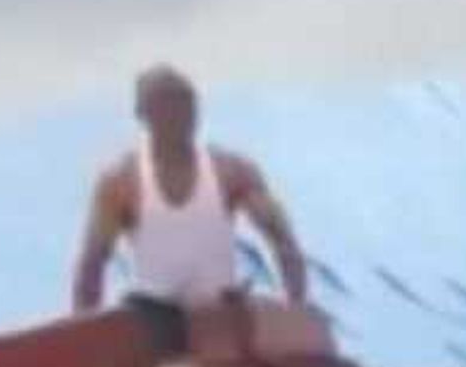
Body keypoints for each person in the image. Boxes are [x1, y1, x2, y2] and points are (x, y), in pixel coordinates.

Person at [70, 66, 309, 343]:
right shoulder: (121, 181)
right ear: (143, 114)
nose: (179, 114)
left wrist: (296, 308)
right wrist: (83, 339)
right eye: (167, 105)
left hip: (219, 314)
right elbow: (92, 263)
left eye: (185, 103)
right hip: (154, 316)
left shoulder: (231, 171)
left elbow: (281, 237)